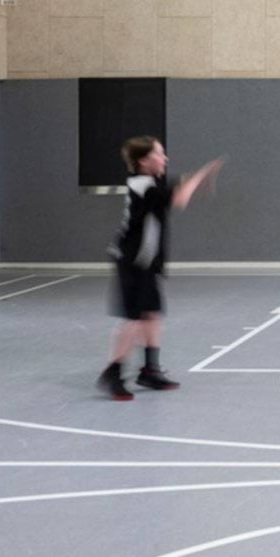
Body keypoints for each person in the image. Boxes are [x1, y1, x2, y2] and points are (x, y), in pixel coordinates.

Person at [97, 137, 223, 400]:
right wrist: (201, 175)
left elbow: (176, 184)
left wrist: (193, 176)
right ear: (144, 161)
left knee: (152, 314)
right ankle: (113, 372)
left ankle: (150, 370)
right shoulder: (143, 185)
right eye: (159, 154)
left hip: (148, 261)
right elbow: (180, 198)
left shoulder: (153, 181)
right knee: (134, 319)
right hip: (133, 261)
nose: (165, 159)